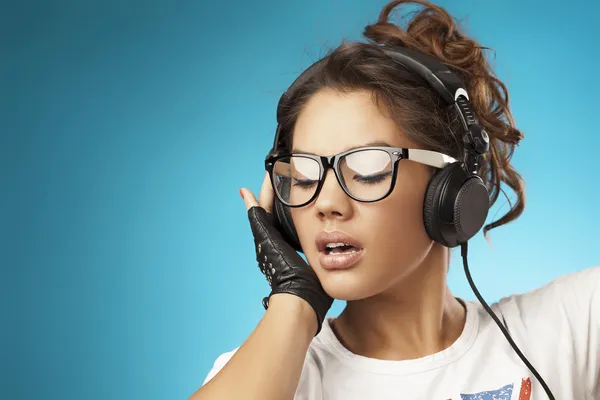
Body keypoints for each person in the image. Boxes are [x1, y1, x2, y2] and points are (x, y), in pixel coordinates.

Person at [189, 1, 599, 399]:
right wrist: (295, 302)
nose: (326, 203)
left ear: (451, 186)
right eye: (305, 175)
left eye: (368, 169)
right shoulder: (261, 376)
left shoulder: (572, 327)